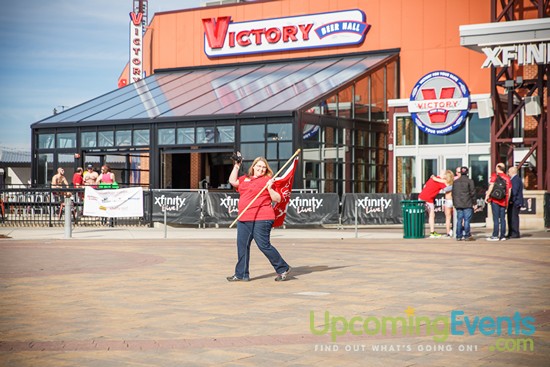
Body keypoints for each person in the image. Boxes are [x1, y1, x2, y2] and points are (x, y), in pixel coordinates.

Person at [227, 154, 291, 282]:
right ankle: (241, 274)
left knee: (263, 245)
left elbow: (277, 198)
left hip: (263, 217)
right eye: (259, 166)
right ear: (254, 166)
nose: (261, 169)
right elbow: (232, 181)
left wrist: (269, 188)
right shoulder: (245, 178)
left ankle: (282, 268)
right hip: (244, 217)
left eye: (263, 167)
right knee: (242, 246)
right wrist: (236, 166)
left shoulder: (268, 180)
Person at [418, 169, 454, 238]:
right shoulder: (440, 181)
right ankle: (432, 232)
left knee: (421, 215)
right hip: (428, 198)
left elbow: (425, 186)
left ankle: (418, 231)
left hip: (422, 196)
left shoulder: (433, 179)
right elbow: (447, 189)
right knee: (431, 215)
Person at [485, 163, 512, 241]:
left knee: (496, 218)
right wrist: (507, 200)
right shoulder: (507, 178)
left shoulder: (495, 176)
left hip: (495, 200)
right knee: (503, 219)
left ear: (498, 168)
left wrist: (487, 195)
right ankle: (503, 235)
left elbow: (491, 186)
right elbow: (509, 190)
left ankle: (495, 235)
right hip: (503, 200)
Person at [452, 166, 476, 241]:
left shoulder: (455, 182)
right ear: (467, 172)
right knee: (466, 220)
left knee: (459, 220)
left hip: (458, 203)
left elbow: (454, 193)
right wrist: (474, 202)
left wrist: (455, 203)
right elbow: (473, 193)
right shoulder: (470, 181)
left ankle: (458, 236)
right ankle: (467, 235)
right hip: (467, 203)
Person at [506, 166, 524, 239]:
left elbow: (514, 191)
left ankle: (515, 233)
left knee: (514, 218)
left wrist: (511, 200)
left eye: (509, 172)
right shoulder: (514, 179)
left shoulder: (515, 180)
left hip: (515, 202)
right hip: (514, 201)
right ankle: (511, 232)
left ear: (512, 172)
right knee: (510, 217)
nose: (508, 173)